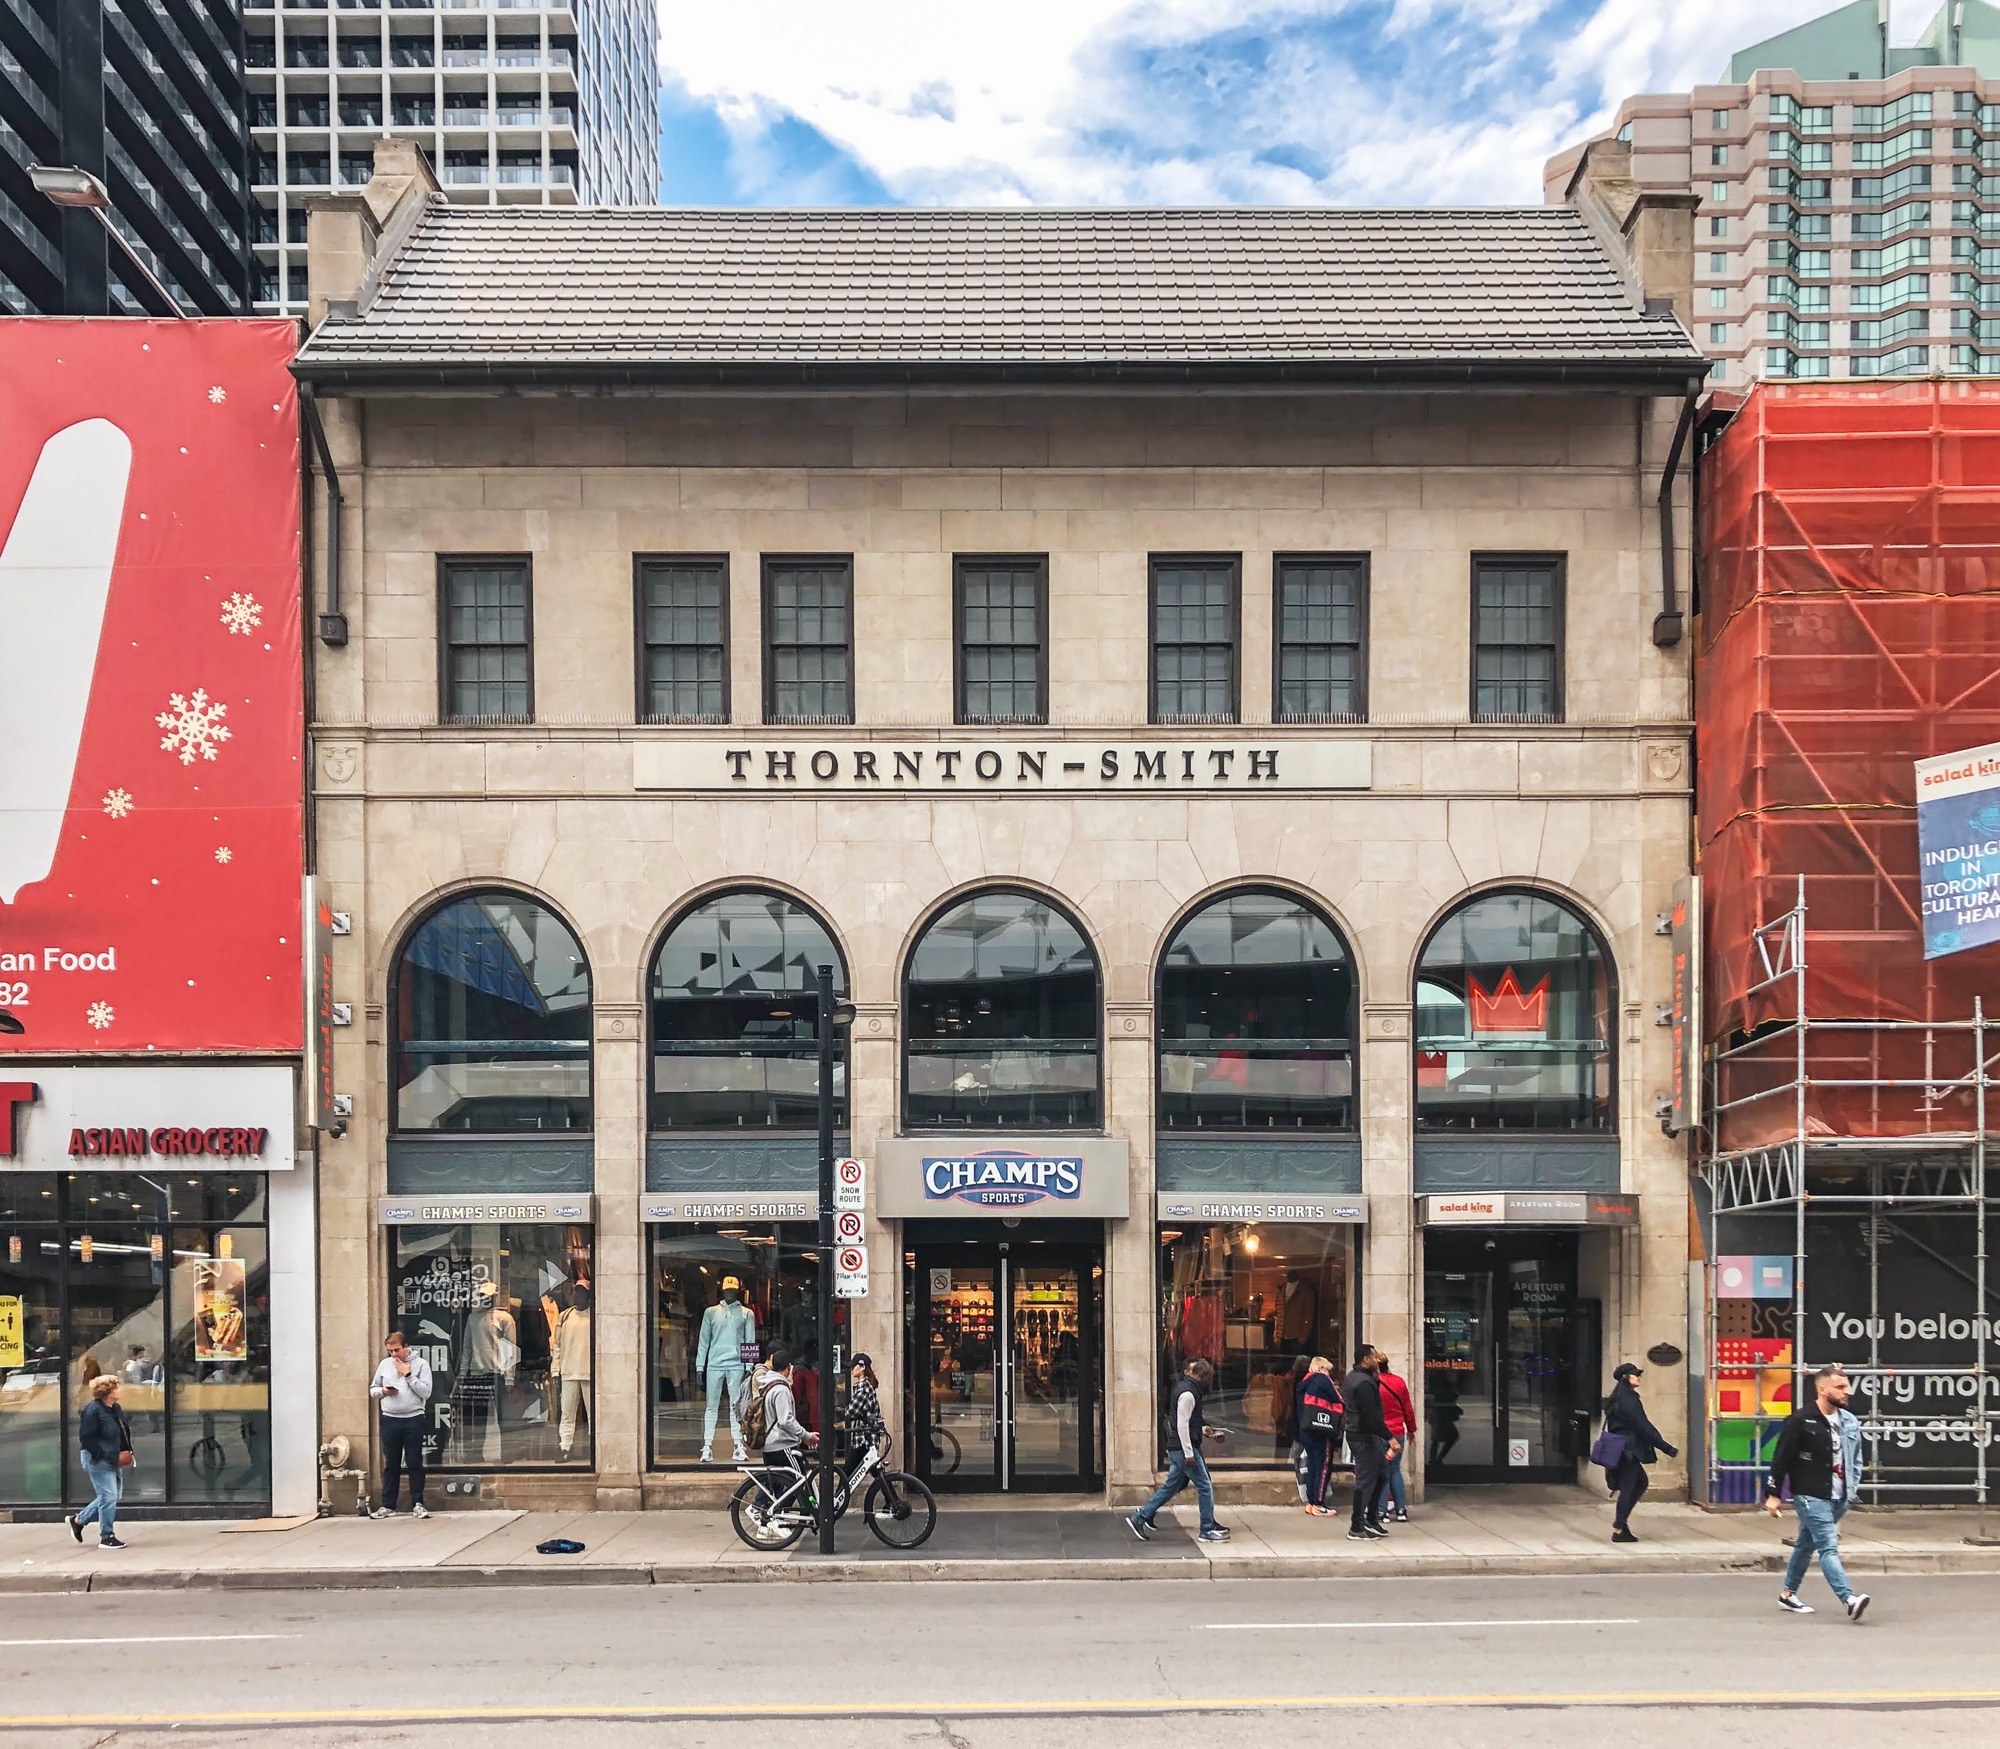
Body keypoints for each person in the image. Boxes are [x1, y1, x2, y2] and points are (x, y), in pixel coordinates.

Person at [1766, 1363, 1870, 1622]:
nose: (1846, 1392)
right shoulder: (1801, 1420)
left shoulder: (1849, 1420)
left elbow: (1855, 1458)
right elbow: (1781, 1458)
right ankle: (1849, 1599)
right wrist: (1773, 1493)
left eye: (1846, 1386)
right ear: (1822, 1389)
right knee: (1828, 1546)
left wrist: (1852, 1487)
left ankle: (1787, 1594)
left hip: (1839, 1496)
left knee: (1805, 1545)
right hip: (1810, 1495)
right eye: (1840, 1387)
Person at [1126, 1357, 1230, 1544]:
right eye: (1206, 1377)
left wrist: (1205, 1430)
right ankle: (1207, 1529)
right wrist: (1188, 1453)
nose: (1207, 1381)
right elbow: (1182, 1425)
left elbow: (1188, 1423)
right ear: (1200, 1375)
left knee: (1171, 1487)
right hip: (1183, 1449)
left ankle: (1141, 1516)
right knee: (1205, 1486)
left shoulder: (1186, 1389)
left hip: (1179, 1447)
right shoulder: (1188, 1394)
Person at [1603, 1361, 1677, 1544]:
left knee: (1639, 1483)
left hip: (1621, 1448)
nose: (1639, 1377)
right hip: (1628, 1450)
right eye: (1636, 1374)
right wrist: (1666, 1447)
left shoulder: (1617, 1399)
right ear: (1626, 1378)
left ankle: (1621, 1524)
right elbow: (1644, 1427)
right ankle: (1619, 1528)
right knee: (1630, 1487)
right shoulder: (1629, 1401)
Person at [368, 1330, 433, 1520]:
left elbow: (426, 1392)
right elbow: (373, 1389)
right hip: (390, 1418)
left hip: (413, 1418)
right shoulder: (385, 1364)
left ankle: (418, 1503)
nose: (393, 1354)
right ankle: (388, 1505)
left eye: (397, 1350)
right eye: (390, 1351)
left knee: (414, 1462)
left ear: (406, 1347)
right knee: (391, 1464)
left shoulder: (421, 1364)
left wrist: (408, 1375)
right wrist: (383, 1391)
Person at [67, 1374, 133, 1549]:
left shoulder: (115, 1408)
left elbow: (122, 1431)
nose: (121, 1390)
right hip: (97, 1459)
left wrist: (127, 1450)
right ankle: (107, 1536)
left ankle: (78, 1520)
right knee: (108, 1496)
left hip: (113, 1457)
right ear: (107, 1391)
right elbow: (86, 1438)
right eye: (117, 1387)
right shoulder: (92, 1411)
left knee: (112, 1496)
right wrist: (103, 1454)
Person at [1342, 1343, 1397, 1540]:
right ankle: (1356, 1526)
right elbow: (1370, 1416)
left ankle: (1370, 1519)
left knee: (1382, 1474)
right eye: (1374, 1357)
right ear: (1365, 1359)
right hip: (1363, 1435)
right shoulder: (1363, 1383)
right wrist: (1390, 1438)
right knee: (1365, 1481)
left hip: (1363, 1434)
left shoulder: (1356, 1377)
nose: (1377, 1359)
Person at [758, 1345, 816, 1482]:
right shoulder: (780, 1389)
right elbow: (785, 1420)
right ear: (789, 1367)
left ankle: (761, 1498)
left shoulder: (768, 1385)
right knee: (801, 1481)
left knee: (775, 1486)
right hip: (782, 1445)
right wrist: (805, 1435)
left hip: (769, 1445)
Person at [1297, 1356, 1343, 1517]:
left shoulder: (1305, 1382)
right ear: (1322, 1368)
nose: (1329, 1373)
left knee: (1312, 1466)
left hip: (1306, 1429)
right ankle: (1318, 1503)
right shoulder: (1323, 1380)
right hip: (1322, 1430)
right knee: (1323, 1466)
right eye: (1328, 1370)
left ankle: (1311, 1502)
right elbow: (1338, 1400)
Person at [553, 1284, 592, 1461]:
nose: (578, 1295)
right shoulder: (565, 1316)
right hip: (568, 1370)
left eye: (582, 1292)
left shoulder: (594, 1316)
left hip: (589, 1371)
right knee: (567, 1412)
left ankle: (594, 1446)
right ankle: (565, 1447)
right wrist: (555, 1369)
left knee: (593, 1413)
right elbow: (557, 1345)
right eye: (576, 1291)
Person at [1377, 1351, 1417, 1523]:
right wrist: (1412, 1430)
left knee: (1382, 1471)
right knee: (1395, 1470)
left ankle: (1382, 1510)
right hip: (1398, 1431)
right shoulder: (1399, 1382)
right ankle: (1401, 1510)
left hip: (1380, 1432)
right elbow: (1407, 1409)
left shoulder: (1372, 1383)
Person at [847, 1352, 888, 1455]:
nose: (851, 1369)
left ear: (862, 1367)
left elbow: (851, 1412)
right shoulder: (866, 1386)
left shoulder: (863, 1388)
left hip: (864, 1441)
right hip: (866, 1439)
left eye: (853, 1366)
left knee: (852, 1465)